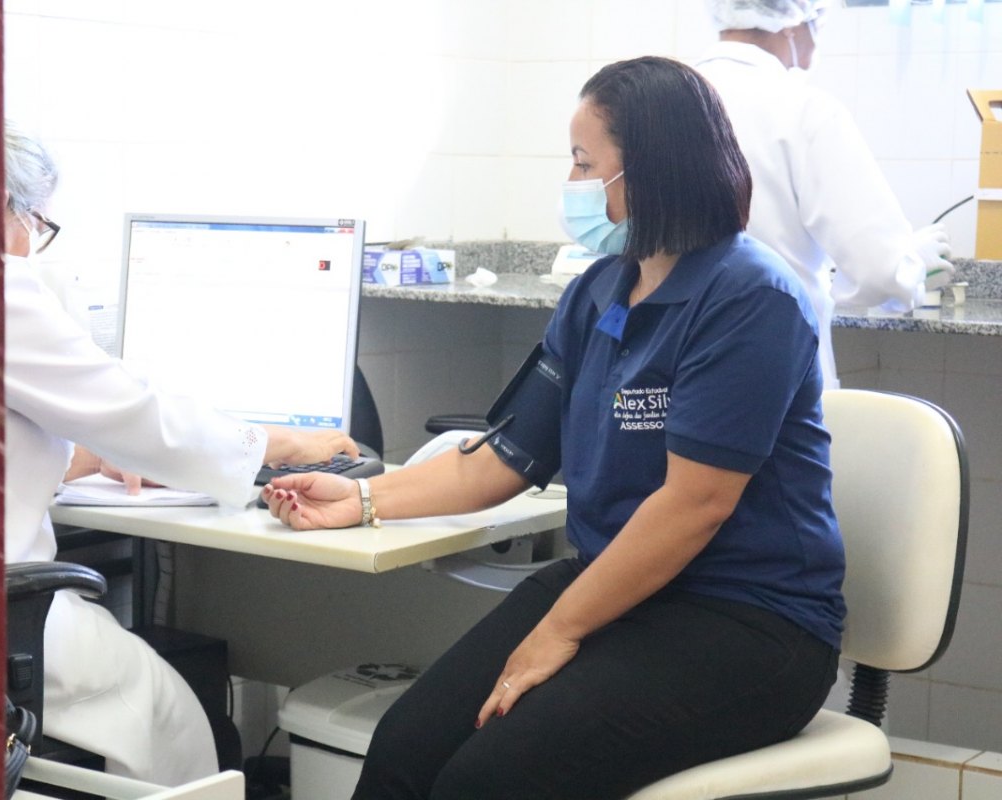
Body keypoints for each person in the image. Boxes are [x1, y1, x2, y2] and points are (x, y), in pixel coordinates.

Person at [263, 56, 845, 800]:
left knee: (487, 780)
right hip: (618, 588)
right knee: (405, 749)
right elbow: (498, 461)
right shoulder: (600, 291)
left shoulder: (750, 298)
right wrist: (361, 499)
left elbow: (693, 506)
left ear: (650, 171)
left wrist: (559, 630)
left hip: (747, 620)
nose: (572, 182)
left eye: (584, 163)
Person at [1, 123, 358, 784]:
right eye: (37, 223)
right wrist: (283, 443)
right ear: (7, 208)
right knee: (174, 713)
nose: (32, 244)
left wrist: (94, 456)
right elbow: (141, 414)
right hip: (1, 619)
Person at [696, 0, 954, 388]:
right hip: (778, 369)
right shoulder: (802, 110)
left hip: (670, 370)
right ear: (791, 22)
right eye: (817, 20)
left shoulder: (657, 105)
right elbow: (878, 271)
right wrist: (912, 262)